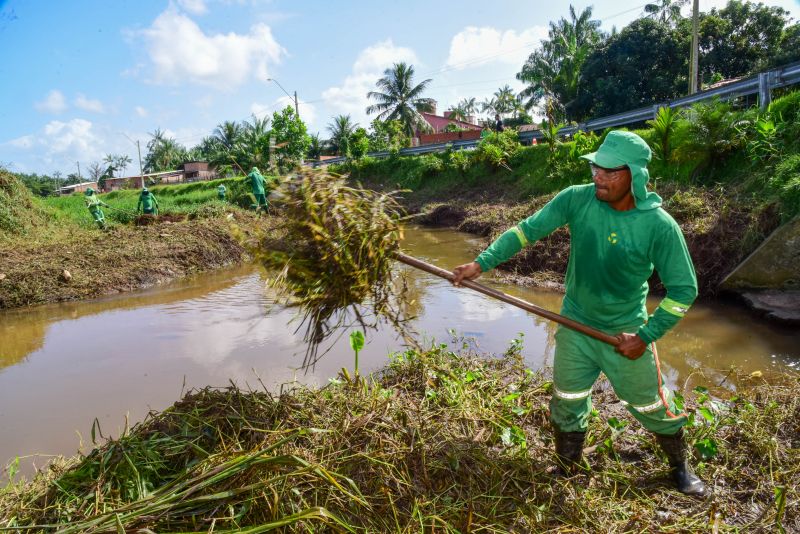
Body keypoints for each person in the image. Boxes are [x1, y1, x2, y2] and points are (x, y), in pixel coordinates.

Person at [451, 131, 707, 497]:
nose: (597, 177)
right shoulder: (576, 199)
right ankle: (569, 467)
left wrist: (645, 337)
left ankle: (680, 468)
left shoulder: (658, 225)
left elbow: (684, 290)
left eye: (608, 171)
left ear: (633, 174)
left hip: (625, 333)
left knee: (650, 404)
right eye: (595, 168)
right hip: (575, 323)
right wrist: (482, 263)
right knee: (567, 398)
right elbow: (526, 232)